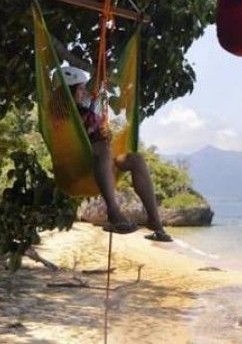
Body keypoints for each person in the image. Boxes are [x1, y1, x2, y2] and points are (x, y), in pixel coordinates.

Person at [53, 66, 173, 242]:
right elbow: (66, 142)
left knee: (136, 159)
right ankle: (114, 212)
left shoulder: (87, 113)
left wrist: (103, 131)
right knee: (101, 147)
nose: (83, 92)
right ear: (67, 91)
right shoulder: (55, 115)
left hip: (98, 164)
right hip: (74, 170)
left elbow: (97, 135)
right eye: (80, 88)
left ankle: (154, 220)